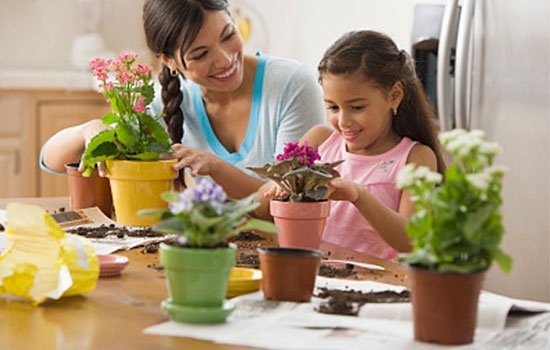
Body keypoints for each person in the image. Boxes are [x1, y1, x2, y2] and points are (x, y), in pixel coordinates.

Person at [40, 0, 325, 199]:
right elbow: (50, 160)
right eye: (201, 54)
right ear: (168, 60)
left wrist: (215, 167)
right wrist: (89, 130)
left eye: (228, 35)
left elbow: (293, 198)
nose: (225, 60)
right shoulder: (167, 102)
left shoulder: (291, 86)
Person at [254, 30, 446, 261]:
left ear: (394, 96)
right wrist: (276, 187)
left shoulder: (415, 157)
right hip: (313, 273)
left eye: (356, 107)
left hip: (375, 284)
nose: (343, 121)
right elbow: (258, 211)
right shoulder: (318, 141)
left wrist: (358, 195)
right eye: (333, 108)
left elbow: (412, 240)